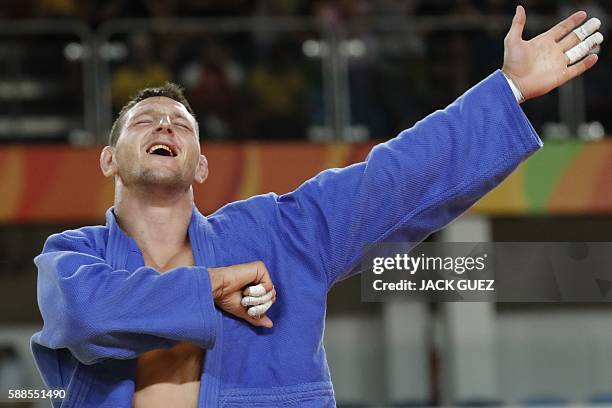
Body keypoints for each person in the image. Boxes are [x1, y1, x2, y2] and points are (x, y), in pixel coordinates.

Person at [31, 6, 602, 407]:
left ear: (200, 166)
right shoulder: (73, 259)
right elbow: (87, 316)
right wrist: (213, 285)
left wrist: (507, 90)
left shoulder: (277, 236)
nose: (164, 124)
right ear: (108, 159)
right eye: (144, 122)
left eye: (181, 122)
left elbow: (393, 179)